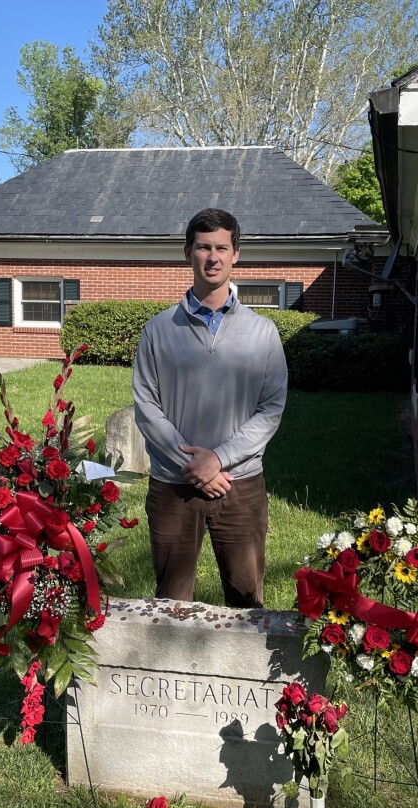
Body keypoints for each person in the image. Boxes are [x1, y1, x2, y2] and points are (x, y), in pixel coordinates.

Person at [132, 208, 288, 608]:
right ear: (188, 253)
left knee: (247, 600)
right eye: (204, 247)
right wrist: (194, 467)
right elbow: (147, 405)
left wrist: (219, 459)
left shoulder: (262, 332)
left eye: (222, 247)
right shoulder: (159, 329)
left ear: (236, 254)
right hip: (173, 486)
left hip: (240, 485)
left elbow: (271, 408)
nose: (213, 257)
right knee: (170, 602)